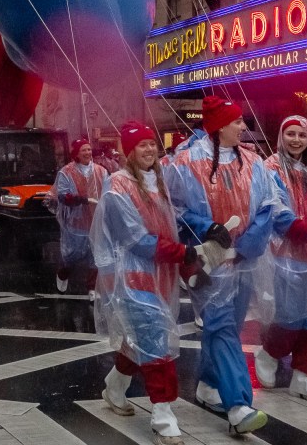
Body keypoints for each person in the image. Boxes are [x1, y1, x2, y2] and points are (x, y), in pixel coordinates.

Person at [170, 97, 307, 435]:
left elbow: (270, 207)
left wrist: (246, 248)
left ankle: (209, 385)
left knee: (227, 326)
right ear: (219, 125)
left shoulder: (253, 163)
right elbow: (176, 209)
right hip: (209, 264)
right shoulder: (184, 163)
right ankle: (239, 405)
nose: (243, 127)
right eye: (237, 121)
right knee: (222, 325)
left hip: (244, 262)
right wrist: (207, 229)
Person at [94, 121, 196, 445]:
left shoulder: (159, 182)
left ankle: (114, 388)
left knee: (141, 338)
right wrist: (185, 252)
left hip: (162, 271)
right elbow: (137, 239)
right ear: (129, 151)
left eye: (153, 143)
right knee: (156, 341)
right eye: (142, 145)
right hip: (133, 274)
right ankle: (163, 416)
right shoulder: (117, 186)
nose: (150, 150)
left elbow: (176, 219)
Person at [254, 115, 307, 402]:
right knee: (289, 316)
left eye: (302, 135)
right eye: (290, 134)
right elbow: (274, 209)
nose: (296, 140)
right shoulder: (269, 168)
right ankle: (269, 353)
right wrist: (306, 231)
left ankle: (304, 376)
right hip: (286, 253)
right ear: (281, 136)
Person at [54, 137, 108, 295]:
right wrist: (82, 200)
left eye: (89, 149)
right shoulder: (66, 172)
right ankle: (63, 273)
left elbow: (108, 191)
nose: (87, 152)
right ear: (76, 153)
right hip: (75, 223)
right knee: (72, 255)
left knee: (95, 256)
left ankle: (92, 287)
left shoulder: (101, 171)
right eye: (83, 150)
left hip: (96, 221)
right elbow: (62, 196)